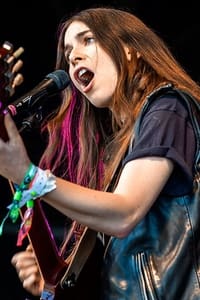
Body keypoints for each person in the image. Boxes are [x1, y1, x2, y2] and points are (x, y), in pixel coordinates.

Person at [0, 6, 199, 300]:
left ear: (130, 50)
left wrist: (30, 178)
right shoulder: (115, 153)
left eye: (88, 39)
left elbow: (124, 213)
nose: (74, 56)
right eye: (68, 53)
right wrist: (53, 279)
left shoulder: (167, 108)